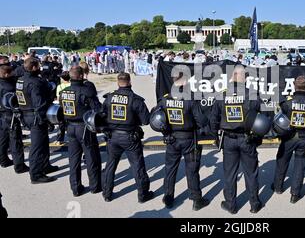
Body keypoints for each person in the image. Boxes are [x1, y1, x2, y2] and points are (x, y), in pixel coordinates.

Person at [210, 66, 265, 214]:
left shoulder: (221, 95)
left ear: (231, 77)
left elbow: (213, 120)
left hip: (229, 140)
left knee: (230, 174)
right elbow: (264, 117)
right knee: (251, 173)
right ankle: (254, 204)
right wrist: (258, 138)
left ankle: (231, 204)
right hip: (247, 139)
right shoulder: (252, 94)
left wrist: (215, 137)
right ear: (244, 78)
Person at [155, 73, 210, 211]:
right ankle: (196, 199)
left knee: (170, 169)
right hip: (189, 138)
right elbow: (201, 121)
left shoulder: (164, 100)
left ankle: (168, 197)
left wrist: (165, 132)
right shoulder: (190, 98)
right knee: (192, 170)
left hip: (172, 139)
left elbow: (156, 119)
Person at [102, 73, 154, 203]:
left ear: (117, 82)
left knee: (110, 165)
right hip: (130, 137)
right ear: (130, 81)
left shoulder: (109, 98)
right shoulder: (135, 100)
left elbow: (102, 116)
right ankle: (143, 195)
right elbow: (146, 120)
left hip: (112, 137)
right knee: (137, 166)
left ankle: (107, 194)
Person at [272, 76, 305, 204]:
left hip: (289, 138)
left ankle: (278, 187)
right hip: (304, 138)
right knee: (300, 165)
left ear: (294, 86)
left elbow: (280, 118)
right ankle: (295, 194)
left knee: (282, 161)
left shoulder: (287, 102)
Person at [60, 66, 102, 197]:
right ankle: (95, 186)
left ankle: (75, 188)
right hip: (84, 127)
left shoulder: (64, 92)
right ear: (81, 76)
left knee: (73, 159)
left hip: (70, 128)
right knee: (91, 157)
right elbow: (98, 109)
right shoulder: (86, 91)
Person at [16, 58, 59, 184]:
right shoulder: (35, 82)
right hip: (35, 116)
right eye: (38, 65)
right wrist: (45, 119)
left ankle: (45, 165)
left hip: (26, 114)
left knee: (44, 142)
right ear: (34, 67)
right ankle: (35, 174)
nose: (40, 67)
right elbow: (39, 103)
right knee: (37, 147)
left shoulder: (21, 80)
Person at [0, 60, 28, 173]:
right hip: (10, 115)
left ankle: (3, 160)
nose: (13, 74)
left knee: (3, 139)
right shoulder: (9, 86)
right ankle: (19, 165)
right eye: (11, 73)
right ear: (6, 74)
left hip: (1, 114)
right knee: (15, 140)